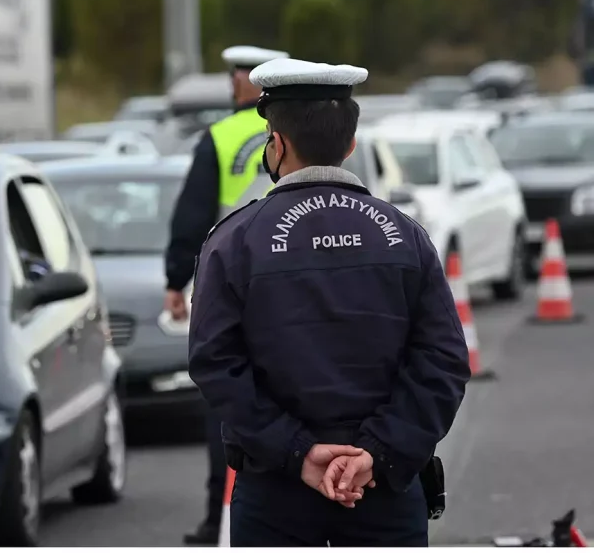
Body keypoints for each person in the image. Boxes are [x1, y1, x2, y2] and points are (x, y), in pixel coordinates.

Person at [187, 57, 471, 547]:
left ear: (276, 144)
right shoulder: (407, 238)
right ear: (351, 144)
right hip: (384, 493)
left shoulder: (234, 242)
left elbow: (215, 364)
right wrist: (376, 454)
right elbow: (443, 361)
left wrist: (298, 452)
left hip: (275, 494)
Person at [165, 45, 290, 546]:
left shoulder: (218, 137)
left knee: (230, 404)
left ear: (244, 82)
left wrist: (177, 280)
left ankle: (225, 519)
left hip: (236, 286)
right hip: (301, 284)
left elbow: (193, 218)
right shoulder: (314, 128)